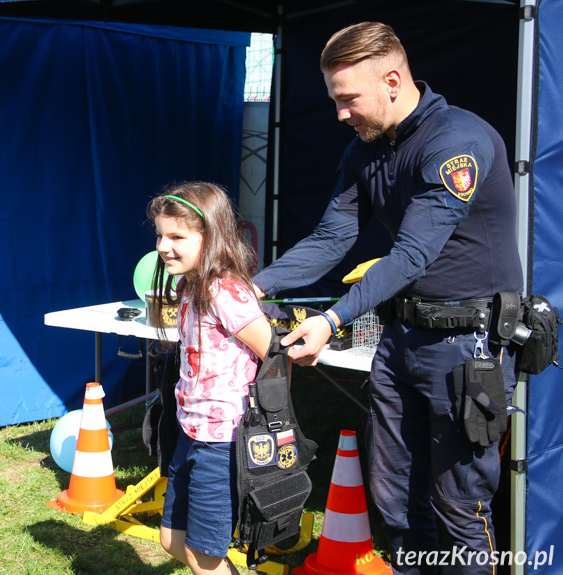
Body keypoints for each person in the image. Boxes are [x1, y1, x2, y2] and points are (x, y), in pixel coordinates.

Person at [252, 22, 522, 575]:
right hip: (401, 340)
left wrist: (331, 319)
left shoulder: (456, 143)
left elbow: (410, 256)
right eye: (334, 100)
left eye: (348, 99)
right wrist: (251, 287)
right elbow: (331, 237)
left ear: (393, 81)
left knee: (459, 504)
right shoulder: (366, 150)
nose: (340, 114)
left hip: (466, 347)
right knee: (395, 498)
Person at [148, 183, 273, 575]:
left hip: (223, 442)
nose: (163, 246)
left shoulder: (225, 291)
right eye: (160, 235)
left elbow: (273, 353)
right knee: (173, 541)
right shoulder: (190, 287)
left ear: (211, 236)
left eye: (176, 237)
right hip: (191, 433)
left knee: (204, 560)